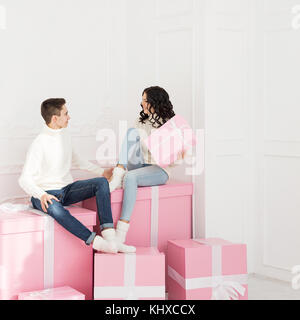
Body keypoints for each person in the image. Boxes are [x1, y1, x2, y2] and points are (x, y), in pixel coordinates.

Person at [18, 98, 136, 254]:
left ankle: (111, 238)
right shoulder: (39, 144)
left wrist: (102, 172)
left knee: (101, 183)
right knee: (56, 209)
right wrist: (41, 195)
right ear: (55, 118)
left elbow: (76, 160)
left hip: (65, 190)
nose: (69, 117)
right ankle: (97, 242)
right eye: (66, 114)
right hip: (45, 195)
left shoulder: (65, 134)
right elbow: (24, 179)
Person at [109, 86, 187, 244]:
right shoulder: (141, 121)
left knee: (130, 177)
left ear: (154, 102)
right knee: (131, 132)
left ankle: (121, 231)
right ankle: (118, 173)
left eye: (145, 100)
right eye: (142, 100)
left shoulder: (172, 124)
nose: (142, 104)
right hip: (140, 164)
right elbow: (133, 145)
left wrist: (178, 154)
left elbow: (177, 160)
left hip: (160, 169)